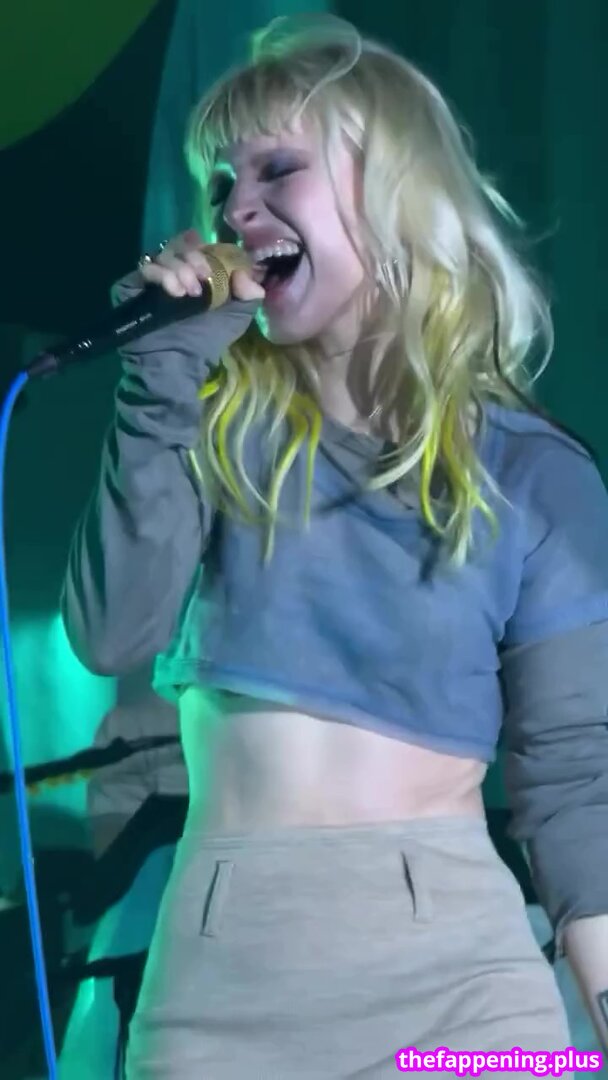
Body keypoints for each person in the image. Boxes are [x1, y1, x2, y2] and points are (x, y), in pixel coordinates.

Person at [61, 13, 608, 1078]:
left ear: (394, 189)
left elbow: (573, 779)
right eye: (222, 184)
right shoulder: (202, 426)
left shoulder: (534, 471)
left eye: (277, 168)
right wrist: (158, 381)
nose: (236, 208)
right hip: (219, 984)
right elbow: (110, 632)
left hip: (459, 993)